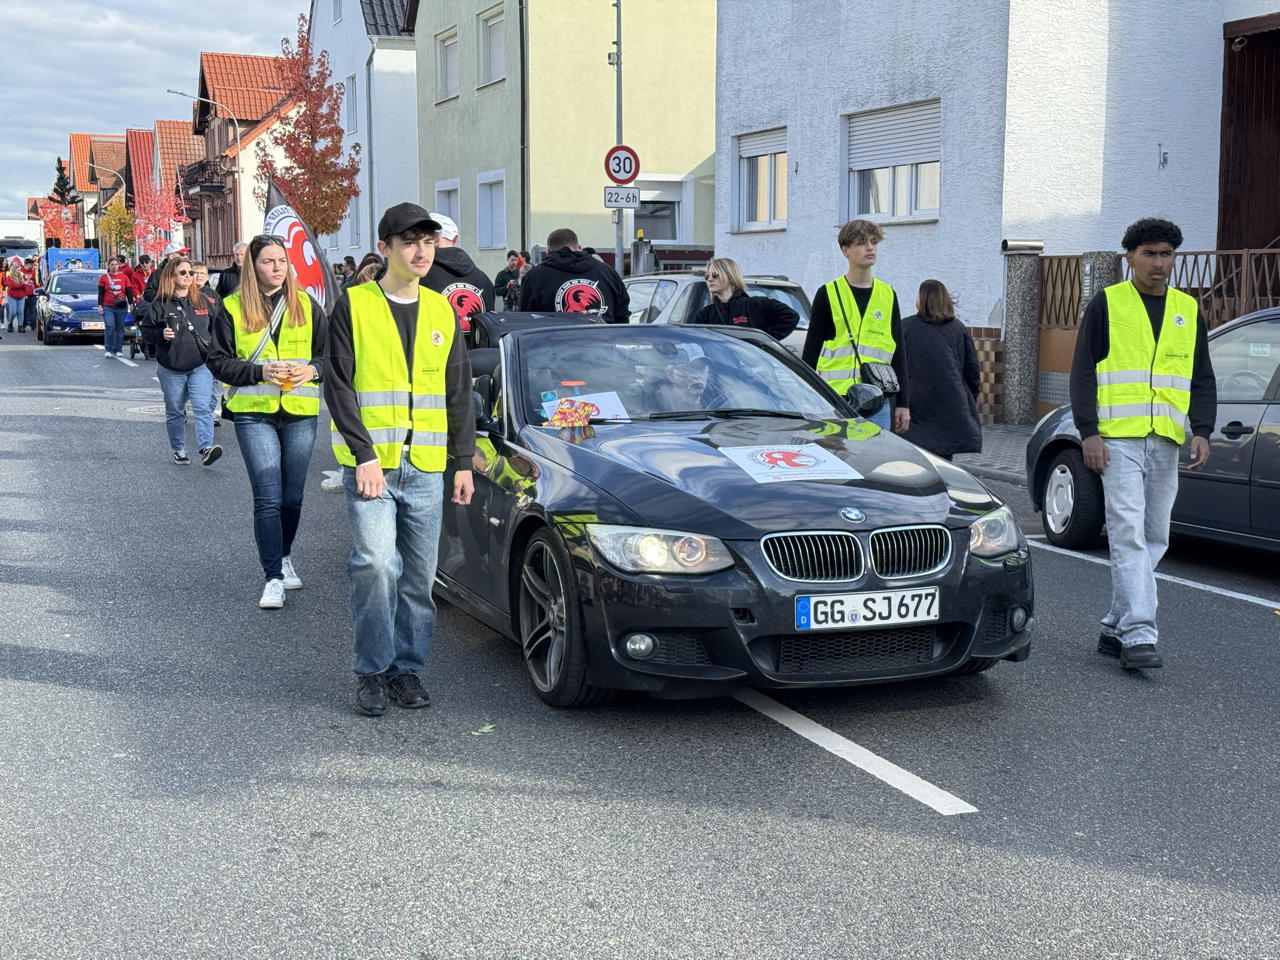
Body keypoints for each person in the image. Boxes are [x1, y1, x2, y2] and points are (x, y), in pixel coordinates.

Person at [326, 202, 475, 716]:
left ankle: (404, 668)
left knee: (418, 575)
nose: (421, 251)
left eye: (429, 242)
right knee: (374, 564)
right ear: (386, 247)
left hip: (429, 465)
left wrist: (462, 460)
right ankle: (371, 670)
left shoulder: (440, 309)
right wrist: (364, 455)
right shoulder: (355, 304)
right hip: (373, 466)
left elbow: (458, 390)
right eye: (410, 241)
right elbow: (339, 384)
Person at [1070, 217, 1215, 670]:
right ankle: (1139, 634)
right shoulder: (1107, 304)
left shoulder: (1187, 310)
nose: (1159, 262)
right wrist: (1088, 431)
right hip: (1118, 441)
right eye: (1149, 253)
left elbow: (1201, 376)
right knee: (1129, 532)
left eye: (1166, 253)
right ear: (1129, 256)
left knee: (1155, 535)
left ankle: (1115, 623)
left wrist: (1203, 431)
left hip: (1166, 440)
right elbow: (1083, 370)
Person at [207, 235, 328, 611]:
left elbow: (328, 357)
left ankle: (285, 553)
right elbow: (217, 361)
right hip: (253, 410)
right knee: (268, 496)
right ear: (252, 266)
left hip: (300, 411)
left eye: (282, 261)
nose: (276, 268)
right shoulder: (231, 306)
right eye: (267, 261)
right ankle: (272, 575)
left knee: (292, 497)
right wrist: (260, 371)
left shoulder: (308, 304)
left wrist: (311, 369)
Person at [803, 219, 910, 432]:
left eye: (873, 242)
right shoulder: (828, 293)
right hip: (834, 401)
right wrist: (806, 400)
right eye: (861, 243)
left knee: (873, 462)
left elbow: (899, 353)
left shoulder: (887, 294)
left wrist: (903, 404)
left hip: (877, 402)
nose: (870, 248)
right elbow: (811, 353)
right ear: (845, 250)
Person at [139, 257, 222, 467]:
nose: (188, 276)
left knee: (203, 407)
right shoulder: (160, 303)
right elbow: (146, 331)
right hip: (171, 366)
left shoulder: (203, 301)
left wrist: (219, 353)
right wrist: (161, 334)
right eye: (183, 273)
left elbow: (217, 329)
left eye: (190, 273)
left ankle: (206, 448)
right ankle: (179, 448)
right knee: (176, 409)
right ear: (172, 276)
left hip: (200, 364)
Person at [898, 279, 982, 461]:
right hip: (950, 405)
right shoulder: (957, 328)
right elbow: (972, 371)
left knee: (915, 463)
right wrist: (969, 400)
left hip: (915, 407)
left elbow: (896, 367)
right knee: (943, 465)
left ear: (922, 299)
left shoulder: (905, 327)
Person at [519, 228, 630, 322]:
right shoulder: (608, 273)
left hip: (553, 345)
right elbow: (622, 317)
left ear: (548, 251)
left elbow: (525, 320)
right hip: (602, 345)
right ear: (580, 248)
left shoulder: (534, 277)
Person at [690, 257, 799, 340]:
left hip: (752, 367)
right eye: (707, 276)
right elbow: (696, 343)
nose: (709, 279)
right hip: (720, 368)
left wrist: (765, 341)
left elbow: (791, 316)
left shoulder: (756, 305)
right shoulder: (705, 315)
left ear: (730, 277)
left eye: (714, 275)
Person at [421, 212, 494, 329]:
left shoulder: (420, 275)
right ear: (454, 239)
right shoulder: (483, 279)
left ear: (435, 239)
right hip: (476, 346)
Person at [192, 262, 224, 422]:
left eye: (202, 273)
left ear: (207, 276)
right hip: (190, 346)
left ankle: (210, 409)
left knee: (212, 379)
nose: (198, 276)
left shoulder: (213, 296)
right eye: (195, 272)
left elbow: (220, 319)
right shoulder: (184, 293)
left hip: (210, 345)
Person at [96, 257, 132, 358]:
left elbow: (128, 292)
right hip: (108, 306)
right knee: (110, 326)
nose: (114, 267)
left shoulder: (124, 277)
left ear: (119, 266)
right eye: (112, 265)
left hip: (121, 306)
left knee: (120, 328)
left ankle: (118, 349)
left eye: (116, 264)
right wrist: (100, 305)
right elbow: (101, 293)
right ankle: (109, 349)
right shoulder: (104, 278)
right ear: (109, 266)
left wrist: (132, 304)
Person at [3, 260, 33, 333]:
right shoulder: (9, 277)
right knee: (13, 311)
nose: (19, 271)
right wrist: (23, 284)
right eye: (17, 269)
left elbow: (25, 286)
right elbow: (13, 285)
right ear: (13, 270)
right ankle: (10, 324)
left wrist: (25, 294)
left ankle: (20, 326)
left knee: (20, 311)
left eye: (19, 270)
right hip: (12, 296)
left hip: (21, 296)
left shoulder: (21, 276)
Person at [21, 258, 38, 331]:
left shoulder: (34, 271)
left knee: (33, 311)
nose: (32, 266)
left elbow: (37, 282)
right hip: (23, 295)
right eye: (31, 264)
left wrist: (38, 291)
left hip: (33, 294)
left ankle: (33, 325)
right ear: (27, 264)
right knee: (23, 310)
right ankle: (23, 325)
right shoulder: (20, 271)